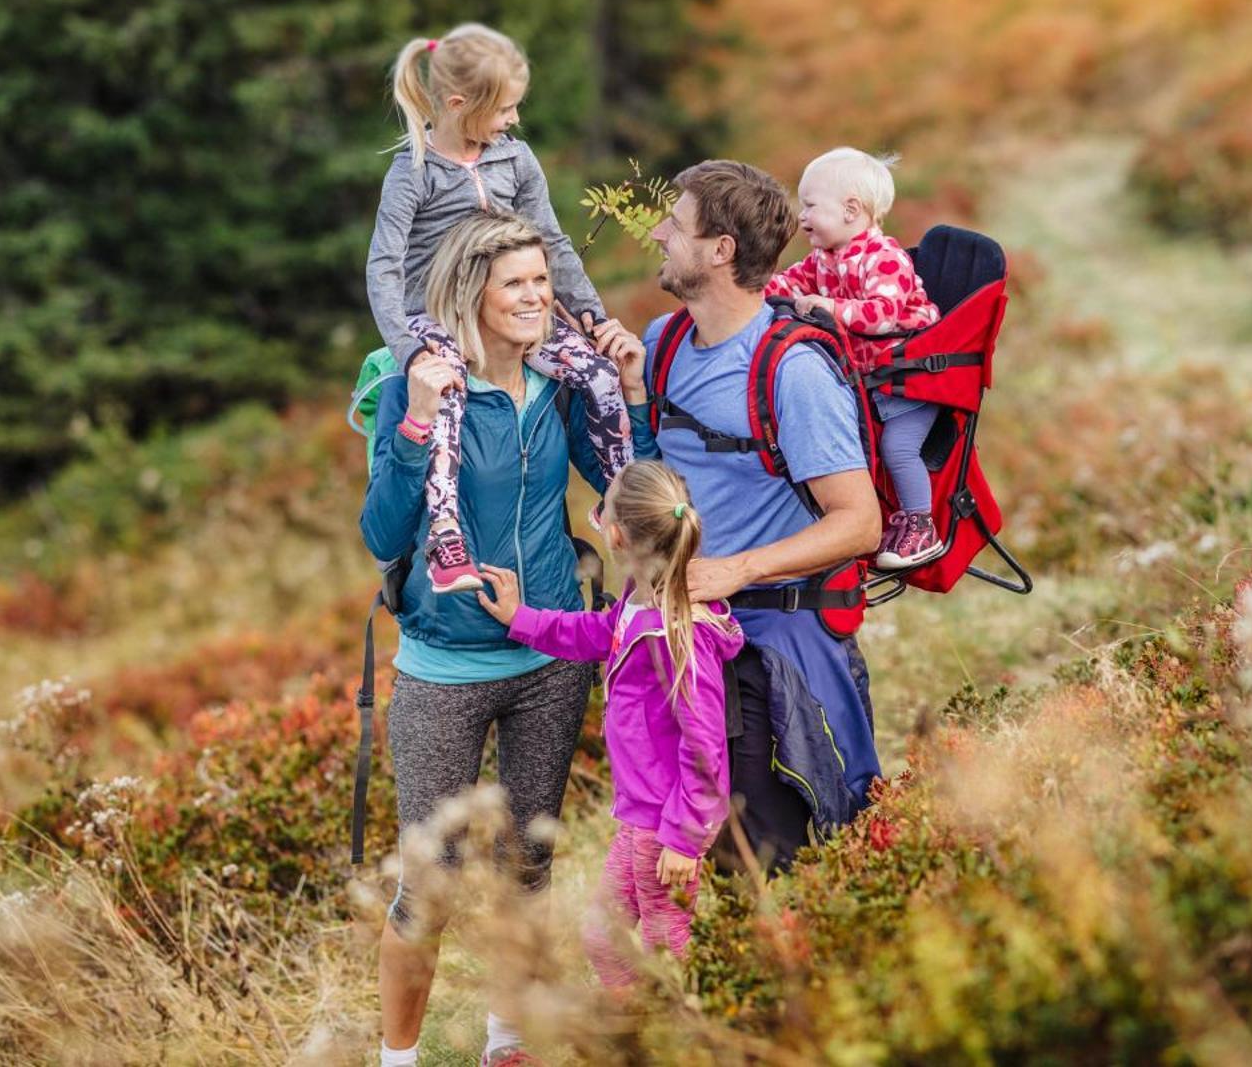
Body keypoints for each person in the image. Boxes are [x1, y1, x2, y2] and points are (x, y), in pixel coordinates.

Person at [359, 211, 655, 1067]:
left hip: (548, 657)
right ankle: (399, 1060)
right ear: (471, 295)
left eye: (542, 281)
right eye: (517, 284)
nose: (538, 298)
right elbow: (382, 533)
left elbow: (632, 488)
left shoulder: (566, 381)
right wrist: (414, 420)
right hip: (444, 664)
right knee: (432, 885)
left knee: (530, 867)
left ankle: (509, 1045)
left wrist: (629, 390)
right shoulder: (414, 385)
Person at [593, 159, 885, 872]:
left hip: (776, 651)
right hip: (686, 648)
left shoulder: (793, 370)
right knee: (698, 861)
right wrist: (634, 397)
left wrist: (735, 569)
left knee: (776, 861)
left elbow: (860, 522)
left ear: (721, 250)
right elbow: (665, 470)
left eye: (678, 223)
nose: (660, 232)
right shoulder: (662, 345)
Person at [365, 23, 632, 595]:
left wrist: (592, 316)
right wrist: (409, 351)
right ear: (460, 105)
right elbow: (383, 266)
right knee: (448, 401)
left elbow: (554, 243)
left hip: (513, 306)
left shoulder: (515, 158)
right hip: (435, 317)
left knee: (599, 376)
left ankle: (626, 499)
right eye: (505, 109)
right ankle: (445, 539)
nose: (513, 120)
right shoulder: (413, 171)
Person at [475, 460, 743, 985]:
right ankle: (636, 1036)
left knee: (661, 951)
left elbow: (705, 744)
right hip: (639, 818)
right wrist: (521, 619)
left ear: (616, 535)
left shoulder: (672, 632)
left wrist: (685, 838)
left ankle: (661, 1038)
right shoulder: (637, 606)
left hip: (665, 826)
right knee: (605, 938)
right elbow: (597, 633)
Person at [766, 147, 943, 569]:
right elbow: (786, 284)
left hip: (911, 381)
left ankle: (922, 523)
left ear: (850, 210)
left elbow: (884, 315)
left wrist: (829, 308)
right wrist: (750, 289)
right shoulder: (824, 260)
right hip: (871, 382)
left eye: (809, 206)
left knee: (898, 447)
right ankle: (853, 527)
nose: (801, 216)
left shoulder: (885, 258)